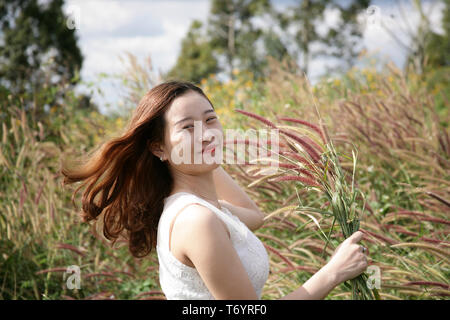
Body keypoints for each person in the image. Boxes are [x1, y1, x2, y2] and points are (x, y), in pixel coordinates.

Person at [61, 80, 369, 300]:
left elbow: (254, 216)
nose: (207, 133)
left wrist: (203, 153)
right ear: (158, 147)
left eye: (211, 121)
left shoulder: (204, 208)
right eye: (188, 127)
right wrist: (333, 273)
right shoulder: (196, 220)